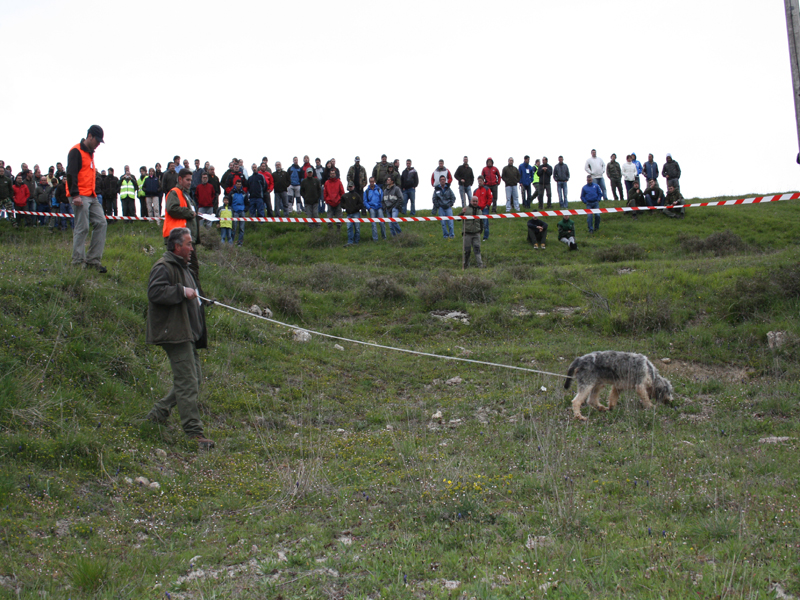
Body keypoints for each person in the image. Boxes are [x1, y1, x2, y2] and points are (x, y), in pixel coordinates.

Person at [145, 226, 214, 450]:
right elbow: (154, 292)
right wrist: (180, 291)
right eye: (188, 244)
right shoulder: (163, 267)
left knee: (193, 380)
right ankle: (194, 435)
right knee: (187, 383)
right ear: (177, 246)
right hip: (174, 333)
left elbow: (193, 295)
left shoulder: (185, 268)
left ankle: (158, 414)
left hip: (187, 333)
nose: (192, 248)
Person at [67, 125, 108, 272]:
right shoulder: (75, 151)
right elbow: (71, 174)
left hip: (91, 195)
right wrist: (75, 195)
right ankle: (77, 262)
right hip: (79, 195)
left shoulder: (90, 153)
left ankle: (92, 261)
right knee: (82, 227)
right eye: (97, 140)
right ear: (89, 136)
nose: (98, 144)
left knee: (102, 223)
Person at [460, 195, 484, 268]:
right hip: (467, 233)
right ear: (471, 201)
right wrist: (462, 213)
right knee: (467, 251)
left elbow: (481, 222)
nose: (475, 202)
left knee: (477, 249)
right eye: (473, 201)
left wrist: (481, 230)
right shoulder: (466, 209)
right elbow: (458, 218)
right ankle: (465, 265)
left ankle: (480, 265)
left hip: (476, 233)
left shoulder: (480, 211)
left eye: (476, 201)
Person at [432, 174, 456, 239]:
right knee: (443, 223)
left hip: (448, 207)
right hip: (441, 208)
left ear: (445, 181)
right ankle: (445, 236)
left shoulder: (448, 189)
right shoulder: (436, 189)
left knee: (450, 222)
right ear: (439, 181)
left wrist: (450, 204)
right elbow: (434, 199)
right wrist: (438, 206)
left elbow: (453, 197)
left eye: (444, 180)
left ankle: (451, 235)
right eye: (441, 180)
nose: (442, 181)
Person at [474, 176, 493, 242]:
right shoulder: (476, 190)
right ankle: (477, 236)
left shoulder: (487, 189)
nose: (480, 182)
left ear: (483, 181)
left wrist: (487, 205)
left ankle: (485, 237)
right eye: (479, 181)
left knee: (485, 224)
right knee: (477, 224)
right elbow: (473, 199)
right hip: (478, 209)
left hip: (485, 209)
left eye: (481, 181)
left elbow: (490, 197)